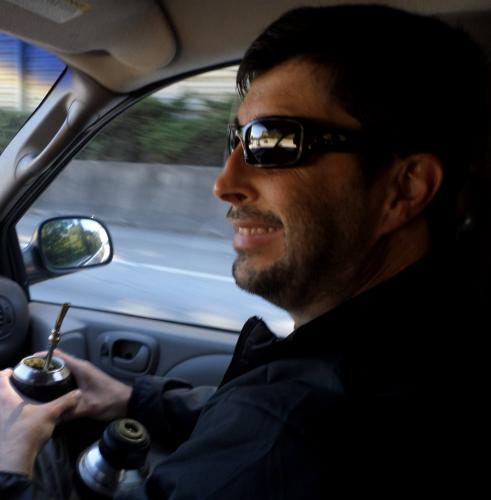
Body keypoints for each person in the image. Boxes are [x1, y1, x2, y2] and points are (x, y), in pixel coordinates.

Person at [0, 4, 488, 498]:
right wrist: (133, 397)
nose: (223, 184)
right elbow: (249, 419)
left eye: (272, 142)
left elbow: (272, 432)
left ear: (404, 188)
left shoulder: (296, 433)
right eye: (236, 139)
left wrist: (9, 457)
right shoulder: (414, 351)